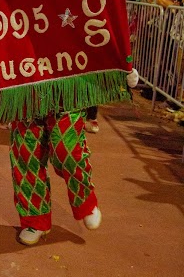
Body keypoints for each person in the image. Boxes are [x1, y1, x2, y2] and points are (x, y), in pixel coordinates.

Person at [10, 69, 139, 245]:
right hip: (26, 87)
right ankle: (35, 220)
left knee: (66, 150)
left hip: (67, 85)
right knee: (26, 153)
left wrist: (121, 68)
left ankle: (84, 200)